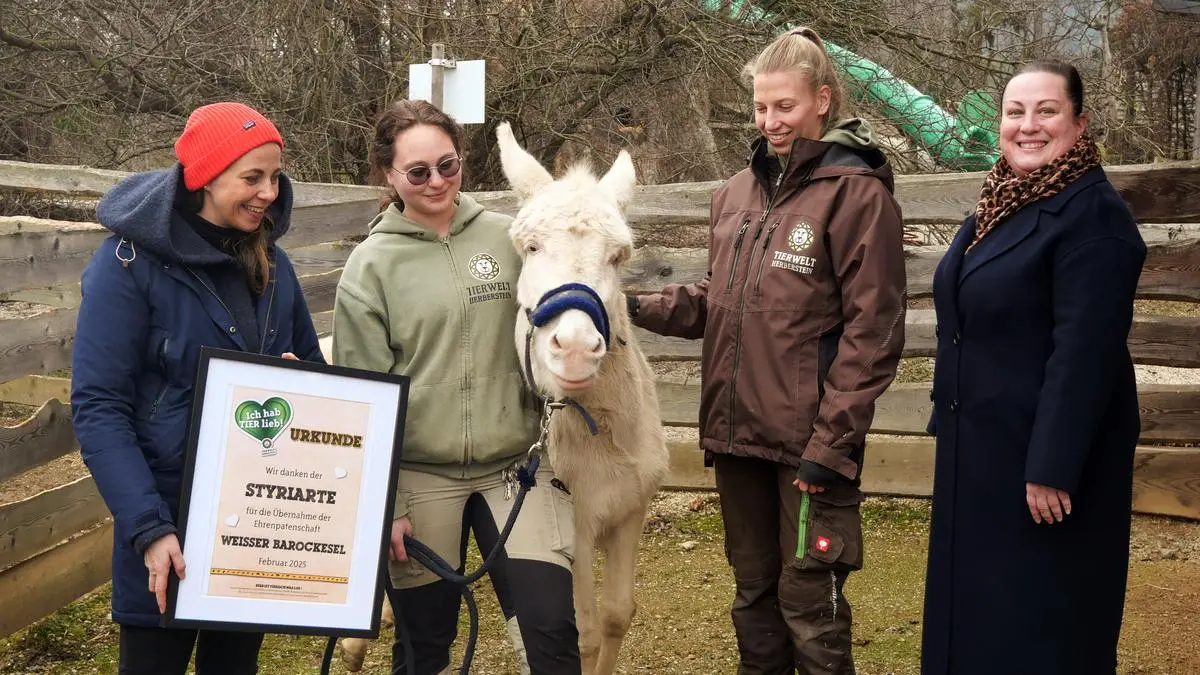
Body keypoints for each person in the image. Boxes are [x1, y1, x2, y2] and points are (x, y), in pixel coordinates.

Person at [629, 27, 906, 675]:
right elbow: (716, 299)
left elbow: (875, 332)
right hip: (737, 440)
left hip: (809, 448)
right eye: (760, 107)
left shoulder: (856, 194)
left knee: (810, 604)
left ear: (822, 101)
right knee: (752, 598)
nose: (770, 120)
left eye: (784, 105)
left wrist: (831, 445)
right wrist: (626, 304)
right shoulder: (734, 196)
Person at [70, 101, 326, 674]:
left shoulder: (273, 265)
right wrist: (148, 527)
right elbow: (99, 406)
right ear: (204, 177)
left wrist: (297, 383)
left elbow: (312, 369)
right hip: (166, 515)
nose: (268, 192)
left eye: (276, 176)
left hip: (253, 520)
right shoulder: (128, 264)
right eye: (251, 177)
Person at [331, 99, 580, 675]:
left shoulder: (508, 239)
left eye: (448, 165)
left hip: (515, 468)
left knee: (552, 631)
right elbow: (360, 396)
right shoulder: (371, 267)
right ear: (388, 175)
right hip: (420, 479)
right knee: (425, 646)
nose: (437, 181)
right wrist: (385, 503)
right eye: (417, 172)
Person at [921, 61, 1146, 675]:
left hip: (1044, 472)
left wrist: (1052, 467)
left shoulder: (1094, 217)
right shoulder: (1004, 202)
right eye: (1015, 112)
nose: (1028, 126)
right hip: (981, 452)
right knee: (976, 621)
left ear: (1078, 121)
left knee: (1038, 626)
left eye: (1046, 111)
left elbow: (1085, 354)